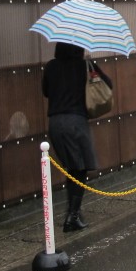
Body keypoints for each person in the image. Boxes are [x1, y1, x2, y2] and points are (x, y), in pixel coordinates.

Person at [41, 42, 112, 232]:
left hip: (55, 123)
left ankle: (73, 211)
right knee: (80, 169)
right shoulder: (84, 66)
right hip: (76, 122)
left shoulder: (51, 66)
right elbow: (108, 85)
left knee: (72, 167)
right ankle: (72, 217)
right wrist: (91, 67)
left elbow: (46, 91)